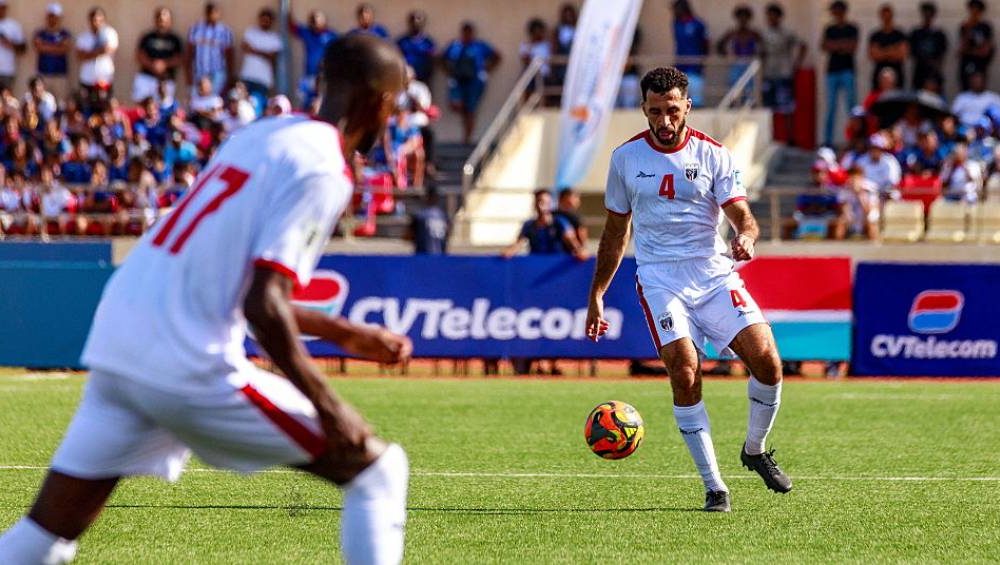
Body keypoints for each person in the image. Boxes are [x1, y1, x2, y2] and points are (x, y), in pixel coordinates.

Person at [0, 34, 412, 565]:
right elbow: (265, 306)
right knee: (377, 471)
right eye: (396, 101)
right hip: (184, 361)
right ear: (380, 102)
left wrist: (345, 334)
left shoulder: (263, 133)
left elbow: (232, 287)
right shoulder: (324, 167)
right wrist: (330, 409)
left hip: (120, 341)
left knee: (43, 539)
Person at [585, 66, 791, 513]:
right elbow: (615, 232)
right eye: (655, 111)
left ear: (687, 107)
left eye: (672, 110)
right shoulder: (625, 159)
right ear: (643, 109)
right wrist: (598, 291)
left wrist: (747, 238)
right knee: (684, 368)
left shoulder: (714, 155)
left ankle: (754, 450)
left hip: (713, 274)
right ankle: (715, 486)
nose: (664, 121)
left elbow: (742, 215)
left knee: (769, 362)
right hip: (660, 277)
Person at [442, 22, 501, 145]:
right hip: (458, 81)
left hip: (474, 82)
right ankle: (465, 133)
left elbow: (497, 56)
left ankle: (467, 138)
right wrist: (448, 72)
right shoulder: (455, 46)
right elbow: (441, 57)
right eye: (465, 31)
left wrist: (486, 70)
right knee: (457, 104)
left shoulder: (479, 46)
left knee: (470, 110)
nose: (467, 34)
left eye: (469, 32)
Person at [759, 3, 805, 143]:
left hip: (784, 73)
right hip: (769, 73)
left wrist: (796, 63)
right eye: (768, 15)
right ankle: (770, 137)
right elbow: (762, 52)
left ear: (779, 17)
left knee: (787, 107)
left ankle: (790, 137)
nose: (770, 18)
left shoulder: (787, 32)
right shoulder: (764, 33)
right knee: (768, 107)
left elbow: (803, 45)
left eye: (773, 15)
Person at [502, 188, 585, 259]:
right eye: (538, 201)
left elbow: (572, 242)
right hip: (538, 265)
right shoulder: (529, 225)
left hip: (555, 264)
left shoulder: (559, 222)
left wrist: (580, 251)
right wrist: (510, 251)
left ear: (550, 204)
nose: (541, 205)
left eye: (544, 202)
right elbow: (518, 244)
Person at [821, 0, 859, 148]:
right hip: (832, 72)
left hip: (847, 71)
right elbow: (824, 45)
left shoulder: (852, 28)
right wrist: (842, 45)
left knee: (852, 108)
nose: (836, 14)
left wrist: (835, 45)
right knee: (830, 108)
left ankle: (855, 140)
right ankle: (828, 142)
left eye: (838, 11)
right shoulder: (829, 29)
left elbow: (852, 47)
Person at [288, 7, 336, 110]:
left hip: (324, 78)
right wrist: (288, 7)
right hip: (309, 77)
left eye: (317, 18)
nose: (315, 21)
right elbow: (292, 26)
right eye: (312, 19)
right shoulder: (307, 33)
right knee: (305, 104)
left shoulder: (331, 36)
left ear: (324, 20)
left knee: (321, 105)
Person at [134, 7, 184, 104]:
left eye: (164, 19)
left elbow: (179, 58)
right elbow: (139, 55)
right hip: (146, 78)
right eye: (159, 18)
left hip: (166, 80)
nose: (161, 21)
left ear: (170, 20)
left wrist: (164, 64)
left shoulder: (175, 39)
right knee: (143, 106)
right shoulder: (147, 37)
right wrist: (153, 65)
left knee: (164, 107)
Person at [240, 7, 282, 115]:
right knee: (243, 106)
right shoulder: (251, 32)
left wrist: (254, 50)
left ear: (271, 22)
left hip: (263, 80)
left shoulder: (274, 38)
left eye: (267, 20)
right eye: (263, 19)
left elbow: (273, 57)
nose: (265, 22)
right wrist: (264, 53)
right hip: (247, 76)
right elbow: (244, 47)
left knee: (257, 107)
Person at [186, 2, 235, 96]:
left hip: (217, 73)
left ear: (219, 13)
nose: (212, 15)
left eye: (215, 12)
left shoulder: (225, 31)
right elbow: (189, 54)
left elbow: (229, 56)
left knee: (214, 100)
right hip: (199, 72)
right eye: (210, 12)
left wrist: (230, 77)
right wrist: (189, 77)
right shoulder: (195, 29)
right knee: (198, 101)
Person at [75, 7, 118, 109]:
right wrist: (100, 51)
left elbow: (109, 49)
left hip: (105, 79)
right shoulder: (83, 36)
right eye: (94, 20)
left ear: (104, 20)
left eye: (99, 20)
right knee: (87, 107)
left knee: (105, 108)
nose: (96, 23)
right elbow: (80, 55)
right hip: (87, 79)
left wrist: (89, 53)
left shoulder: (110, 33)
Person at [672, 0, 708, 108]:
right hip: (681, 67)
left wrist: (701, 61)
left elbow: (706, 44)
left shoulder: (698, 24)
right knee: (679, 100)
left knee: (696, 101)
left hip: (695, 67)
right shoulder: (676, 24)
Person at [715, 5, 760, 91]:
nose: (743, 20)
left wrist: (757, 57)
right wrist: (725, 56)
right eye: (740, 17)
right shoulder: (732, 33)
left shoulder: (754, 34)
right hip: (736, 64)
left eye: (745, 17)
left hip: (749, 64)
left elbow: (764, 48)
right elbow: (719, 45)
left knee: (749, 90)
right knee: (734, 90)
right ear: (737, 18)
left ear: (749, 19)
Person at [33, 3, 72, 102]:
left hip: (60, 75)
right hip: (43, 74)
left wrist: (46, 46)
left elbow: (65, 49)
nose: (52, 19)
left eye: (55, 16)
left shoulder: (65, 34)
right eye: (50, 16)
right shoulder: (40, 33)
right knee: (42, 102)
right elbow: (38, 47)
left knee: (61, 103)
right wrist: (57, 46)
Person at [867, 4, 907, 91]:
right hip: (878, 75)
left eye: (888, 15)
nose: (886, 18)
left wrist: (882, 52)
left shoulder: (900, 35)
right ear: (880, 16)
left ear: (892, 16)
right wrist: (892, 50)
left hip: (897, 75)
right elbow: (874, 55)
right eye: (884, 15)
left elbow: (902, 55)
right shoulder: (875, 35)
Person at [909, 2, 948, 91]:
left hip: (934, 73)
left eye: (929, 14)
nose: (927, 17)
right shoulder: (915, 33)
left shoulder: (939, 35)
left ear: (933, 15)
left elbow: (942, 55)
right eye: (925, 14)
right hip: (919, 73)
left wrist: (934, 68)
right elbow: (912, 53)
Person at [959, 0, 994, 91]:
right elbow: (961, 50)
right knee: (966, 90)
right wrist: (968, 29)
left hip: (980, 65)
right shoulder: (965, 26)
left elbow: (985, 51)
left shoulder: (985, 27)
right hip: (966, 65)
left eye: (976, 10)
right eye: (972, 9)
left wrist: (972, 51)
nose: (974, 12)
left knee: (979, 91)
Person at [397, 11, 435, 85]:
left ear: (423, 22)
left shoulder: (428, 42)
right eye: (413, 19)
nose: (416, 22)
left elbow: (433, 59)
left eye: (419, 19)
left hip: (424, 79)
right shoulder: (402, 41)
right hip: (405, 80)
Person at [408, 186, 449, 255]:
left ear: (427, 197)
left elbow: (408, 235)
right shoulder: (443, 216)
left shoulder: (420, 216)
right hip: (440, 257)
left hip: (423, 257)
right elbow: (447, 234)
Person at [520, 18, 552, 97]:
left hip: (545, 73)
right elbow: (525, 59)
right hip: (533, 73)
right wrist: (531, 46)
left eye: (540, 31)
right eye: (536, 31)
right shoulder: (525, 45)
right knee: (525, 80)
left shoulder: (547, 45)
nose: (538, 34)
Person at [0, 0, 25, 90]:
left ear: (5, 8)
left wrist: (10, 43)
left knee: (6, 100)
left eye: (2, 7)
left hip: (7, 71)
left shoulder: (14, 25)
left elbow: (23, 48)